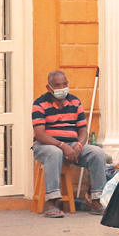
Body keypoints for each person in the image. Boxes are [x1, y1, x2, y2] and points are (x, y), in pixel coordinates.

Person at [33, 70, 107, 217]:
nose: (62, 88)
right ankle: (51, 201)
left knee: (97, 153)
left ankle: (96, 199)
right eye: (57, 85)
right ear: (49, 88)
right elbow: (40, 134)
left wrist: (79, 145)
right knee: (55, 153)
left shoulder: (75, 102)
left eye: (64, 84)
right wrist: (62, 146)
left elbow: (83, 130)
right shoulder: (40, 104)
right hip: (46, 146)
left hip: (72, 144)